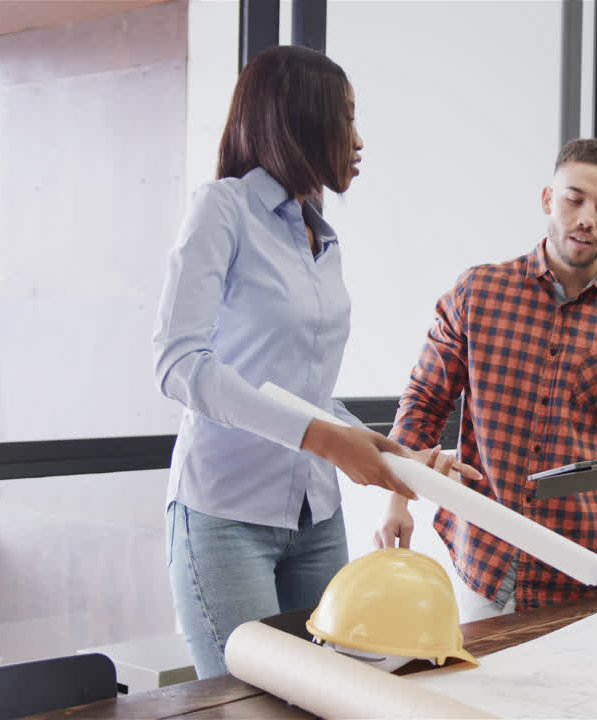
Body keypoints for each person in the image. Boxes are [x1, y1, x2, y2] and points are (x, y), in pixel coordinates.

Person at [151, 45, 477, 678]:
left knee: (335, 692)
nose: (358, 140)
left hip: (316, 518)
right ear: (300, 120)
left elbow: (309, 394)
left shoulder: (318, 235)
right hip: (225, 517)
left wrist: (385, 452)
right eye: (346, 118)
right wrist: (325, 439)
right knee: (249, 704)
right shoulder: (223, 209)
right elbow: (178, 363)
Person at [378, 138, 597, 618]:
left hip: (580, 571)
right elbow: (424, 401)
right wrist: (398, 500)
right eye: (573, 199)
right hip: (483, 562)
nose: (586, 218)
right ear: (547, 199)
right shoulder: (478, 293)